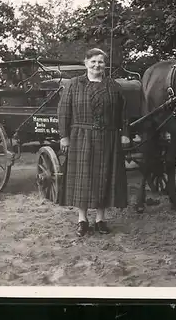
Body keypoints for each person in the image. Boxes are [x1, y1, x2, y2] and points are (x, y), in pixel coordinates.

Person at [58, 48, 130, 237]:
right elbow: (64, 112)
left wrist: (125, 134)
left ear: (104, 65)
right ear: (86, 63)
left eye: (100, 62)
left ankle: (100, 219)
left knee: (104, 177)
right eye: (93, 62)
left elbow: (124, 113)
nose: (97, 65)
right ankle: (82, 220)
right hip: (81, 137)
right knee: (83, 178)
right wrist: (63, 136)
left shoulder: (113, 86)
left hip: (109, 137)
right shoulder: (74, 85)